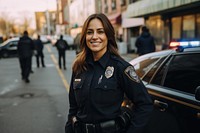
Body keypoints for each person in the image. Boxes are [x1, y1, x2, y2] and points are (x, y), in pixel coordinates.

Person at [65, 13, 153, 133]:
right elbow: (73, 108)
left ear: (108, 35)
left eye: (100, 31)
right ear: (84, 36)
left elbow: (145, 104)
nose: (94, 37)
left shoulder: (121, 68)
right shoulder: (79, 67)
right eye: (90, 32)